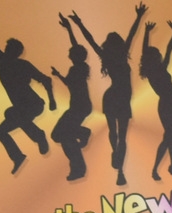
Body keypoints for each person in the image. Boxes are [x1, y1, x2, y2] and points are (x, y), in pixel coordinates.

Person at [69, 4, 146, 187]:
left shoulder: (107, 55)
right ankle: (120, 172)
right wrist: (139, 17)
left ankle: (118, 165)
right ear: (118, 43)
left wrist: (79, 24)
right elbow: (132, 34)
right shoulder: (121, 54)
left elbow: (91, 40)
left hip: (112, 97)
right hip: (121, 98)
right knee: (122, 136)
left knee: (115, 133)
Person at [0, 14, 56, 174]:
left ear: (16, 53)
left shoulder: (23, 65)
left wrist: (51, 100)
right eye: (6, 48)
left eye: (9, 49)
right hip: (21, 109)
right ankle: (18, 156)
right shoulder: (2, 61)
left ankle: (39, 136)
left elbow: (45, 80)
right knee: (1, 130)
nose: (6, 50)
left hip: (34, 105)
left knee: (13, 113)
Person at [49, 14, 95, 182]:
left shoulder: (78, 69)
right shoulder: (80, 67)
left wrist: (69, 28)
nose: (68, 55)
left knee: (60, 135)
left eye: (70, 54)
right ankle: (81, 135)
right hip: (78, 107)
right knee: (60, 135)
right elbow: (75, 46)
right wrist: (68, 28)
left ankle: (78, 166)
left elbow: (75, 47)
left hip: (79, 107)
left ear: (75, 56)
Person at [139, 21, 172, 182]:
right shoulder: (158, 69)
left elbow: (165, 50)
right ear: (154, 58)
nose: (160, 55)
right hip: (171, 103)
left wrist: (148, 32)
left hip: (169, 103)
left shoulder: (152, 71)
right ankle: (158, 168)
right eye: (157, 54)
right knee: (169, 137)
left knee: (171, 136)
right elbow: (166, 50)